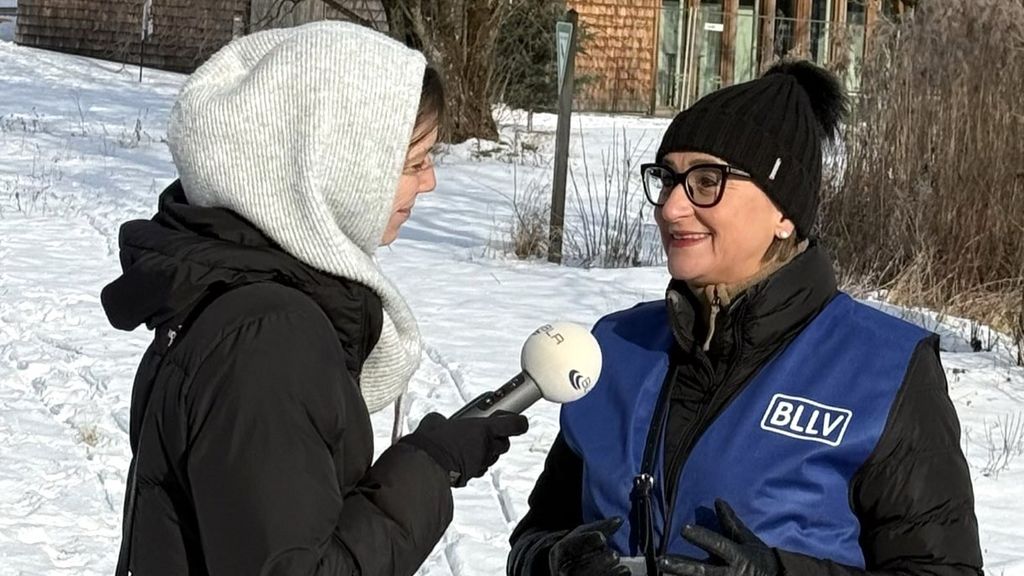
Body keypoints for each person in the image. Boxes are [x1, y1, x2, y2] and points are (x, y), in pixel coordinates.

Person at [507, 61, 983, 576]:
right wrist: (552, 563)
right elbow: (535, 537)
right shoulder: (615, 348)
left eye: (706, 181)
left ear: (784, 214)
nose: (671, 208)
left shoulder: (884, 370)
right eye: (667, 179)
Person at [101, 21, 528, 576]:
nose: (429, 184)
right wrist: (426, 467)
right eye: (414, 163)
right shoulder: (268, 338)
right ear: (333, 169)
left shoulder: (241, 297)